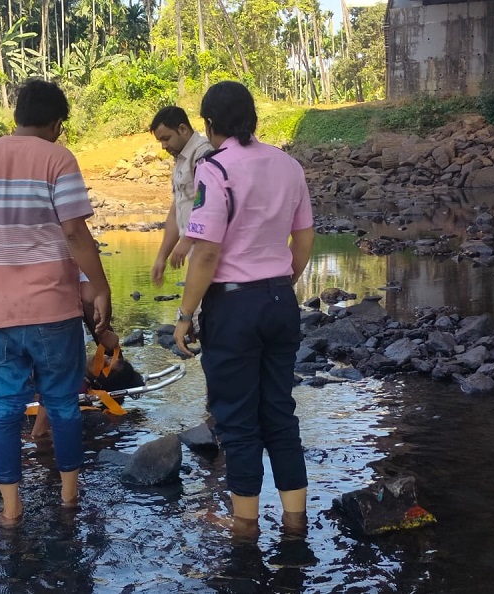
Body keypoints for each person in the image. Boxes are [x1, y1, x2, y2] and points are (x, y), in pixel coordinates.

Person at [0, 78, 112, 528]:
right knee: (62, 405)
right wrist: (100, 287)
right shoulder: (58, 158)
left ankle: (11, 508)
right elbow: (75, 231)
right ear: (57, 123)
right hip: (53, 310)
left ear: (17, 115)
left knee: (3, 409)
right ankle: (69, 497)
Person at [172, 81, 315, 539]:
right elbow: (304, 238)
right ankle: (295, 522)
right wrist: (282, 283)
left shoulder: (215, 168)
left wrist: (185, 316)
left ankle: (245, 526)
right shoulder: (288, 165)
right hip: (279, 300)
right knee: (279, 413)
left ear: (210, 123)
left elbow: (206, 252)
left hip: (233, 306)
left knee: (236, 419)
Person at [149, 106, 213, 287]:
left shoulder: (203, 154)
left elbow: (209, 202)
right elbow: (176, 209)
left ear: (183, 129)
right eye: (160, 141)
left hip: (210, 254)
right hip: (196, 255)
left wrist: (187, 239)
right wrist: (161, 257)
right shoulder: (181, 159)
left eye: (166, 138)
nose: (163, 146)